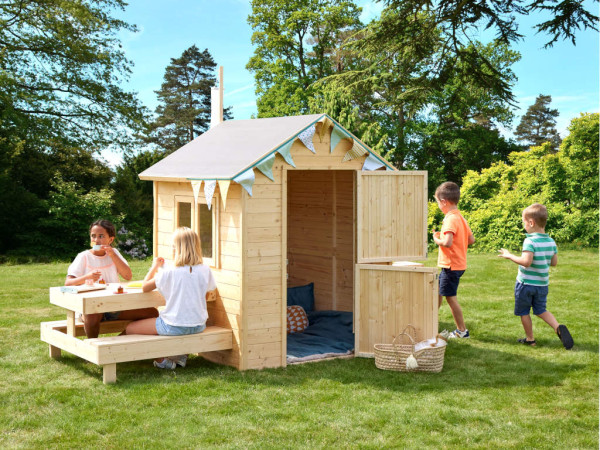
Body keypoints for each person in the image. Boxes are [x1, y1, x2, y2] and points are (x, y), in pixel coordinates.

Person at [125, 227, 219, 370]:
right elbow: (205, 295)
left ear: (177, 248)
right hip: (198, 325)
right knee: (163, 326)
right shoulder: (205, 270)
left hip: (173, 325)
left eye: (173, 246)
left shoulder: (169, 272)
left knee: (130, 329)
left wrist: (154, 266)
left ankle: (163, 360)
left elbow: (145, 287)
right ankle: (180, 355)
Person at [498, 203, 573, 349]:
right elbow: (554, 262)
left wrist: (509, 256)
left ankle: (530, 339)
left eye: (524, 222)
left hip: (525, 284)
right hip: (542, 285)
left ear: (531, 222)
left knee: (524, 312)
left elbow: (526, 262)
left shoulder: (530, 240)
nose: (524, 225)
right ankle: (557, 327)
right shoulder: (551, 241)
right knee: (541, 310)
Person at [65, 219, 158, 338]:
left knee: (152, 313)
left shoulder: (114, 253)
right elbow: (68, 283)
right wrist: (87, 277)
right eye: (93, 236)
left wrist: (112, 255)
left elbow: (128, 276)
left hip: (114, 305)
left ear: (111, 239)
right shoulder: (83, 256)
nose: (96, 240)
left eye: (101, 236)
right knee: (91, 316)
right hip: (91, 307)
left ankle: (120, 340)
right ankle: (94, 348)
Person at [432, 182, 475, 339]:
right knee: (437, 292)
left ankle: (461, 331)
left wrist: (436, 239)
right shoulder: (460, 217)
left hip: (450, 265)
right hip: (458, 264)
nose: (438, 206)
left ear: (444, 201)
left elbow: (447, 242)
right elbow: (471, 239)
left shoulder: (450, 219)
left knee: (450, 297)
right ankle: (430, 321)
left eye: (437, 202)